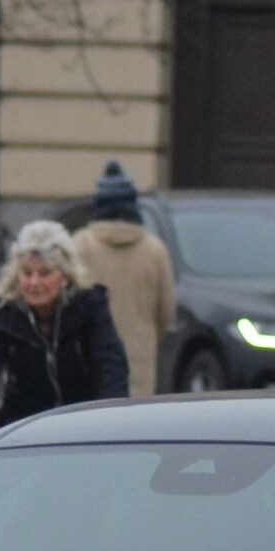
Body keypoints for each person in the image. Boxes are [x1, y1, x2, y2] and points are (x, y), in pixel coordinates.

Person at [0, 221, 128, 453]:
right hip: (23, 427)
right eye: (27, 273)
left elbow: (110, 362)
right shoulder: (6, 314)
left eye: (45, 273)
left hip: (82, 427)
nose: (34, 283)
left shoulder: (89, 307)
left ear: (65, 276)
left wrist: (110, 416)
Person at [73, 161, 176, 398]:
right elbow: (166, 311)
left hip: (91, 358)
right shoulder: (155, 249)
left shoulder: (82, 245)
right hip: (140, 357)